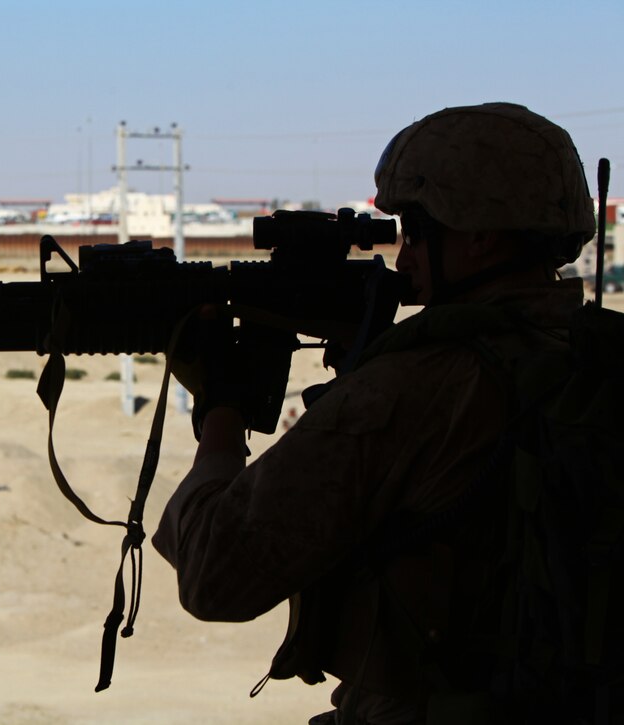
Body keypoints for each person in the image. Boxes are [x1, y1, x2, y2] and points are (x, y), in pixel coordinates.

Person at [152, 102, 597, 724]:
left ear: (481, 236)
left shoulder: (410, 387)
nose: (402, 254)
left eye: (416, 229)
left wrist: (221, 409)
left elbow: (215, 573)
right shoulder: (590, 358)